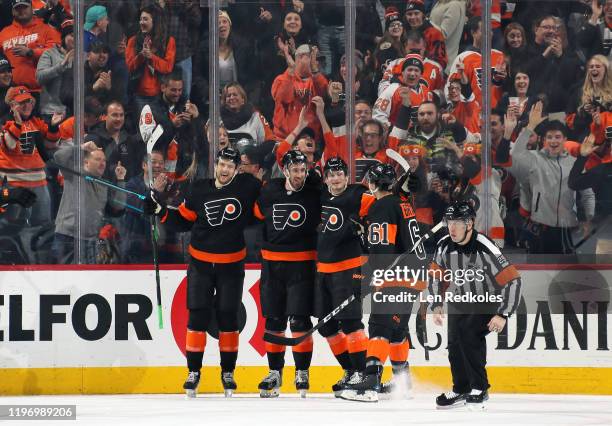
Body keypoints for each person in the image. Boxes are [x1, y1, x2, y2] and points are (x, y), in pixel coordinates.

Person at [145, 147, 261, 398]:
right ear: (216, 164)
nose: (226, 169)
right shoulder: (198, 189)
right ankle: (193, 372)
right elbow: (184, 221)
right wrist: (160, 211)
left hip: (232, 264)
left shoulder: (247, 186)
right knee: (197, 315)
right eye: (222, 164)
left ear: (237, 168)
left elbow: (264, 205)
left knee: (228, 317)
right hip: (200, 263)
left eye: (231, 166)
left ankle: (228, 372)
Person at [340, 163, 426, 402]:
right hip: (414, 277)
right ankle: (402, 382)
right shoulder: (402, 203)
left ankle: (370, 383)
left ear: (372, 183)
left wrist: (364, 279)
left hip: (394, 276)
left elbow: (382, 251)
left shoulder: (380, 207)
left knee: (379, 327)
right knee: (397, 330)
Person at [430, 201, 522, 409]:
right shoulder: (444, 245)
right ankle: (461, 388)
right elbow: (435, 276)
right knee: (454, 344)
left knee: (469, 334)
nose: (452, 227)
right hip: (459, 301)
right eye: (449, 222)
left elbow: (513, 279)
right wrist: (436, 303)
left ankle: (480, 387)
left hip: (487, 301)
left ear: (470, 223)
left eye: (458, 223)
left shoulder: (485, 247)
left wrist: (503, 314)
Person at [253, 150, 321, 397]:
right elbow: (258, 214)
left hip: (302, 265)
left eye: (303, 170)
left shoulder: (314, 190)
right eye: (295, 170)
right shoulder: (270, 190)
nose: (299, 175)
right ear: (284, 170)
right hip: (272, 266)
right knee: (274, 320)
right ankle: (275, 373)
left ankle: (302, 372)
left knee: (300, 321)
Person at [315, 156, 375, 396]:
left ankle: (362, 372)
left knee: (351, 322)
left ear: (347, 176)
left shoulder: (357, 194)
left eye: (340, 173)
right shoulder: (320, 196)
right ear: (326, 177)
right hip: (324, 270)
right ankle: (350, 370)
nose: (336, 177)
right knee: (326, 325)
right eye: (332, 173)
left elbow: (382, 203)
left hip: (349, 268)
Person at [52, 140, 127, 264]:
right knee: (64, 279)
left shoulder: (104, 184)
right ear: (86, 162)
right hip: (67, 238)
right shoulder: (74, 173)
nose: (102, 163)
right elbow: (58, 156)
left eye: (104, 160)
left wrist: (120, 179)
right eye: (97, 159)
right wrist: (81, 147)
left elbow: (118, 206)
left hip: (91, 241)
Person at [0, 0, 60, 93]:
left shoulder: (47, 30)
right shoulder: (4, 33)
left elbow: (57, 54)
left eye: (25, 7)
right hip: (12, 93)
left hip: (42, 92)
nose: (21, 10)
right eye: (18, 8)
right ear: (12, 12)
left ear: (32, 9)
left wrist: (31, 52)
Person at [271, 43, 328, 140]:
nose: (316, 63)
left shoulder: (317, 80)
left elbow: (324, 92)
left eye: (318, 60)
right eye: (313, 58)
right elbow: (284, 98)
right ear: (300, 57)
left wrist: (314, 69)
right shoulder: (282, 79)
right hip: (284, 139)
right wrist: (291, 72)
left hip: (310, 140)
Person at [126, 5, 176, 113]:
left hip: (161, 95)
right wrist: (141, 56)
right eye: (140, 19)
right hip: (138, 95)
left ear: (155, 21)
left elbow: (168, 67)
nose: (141, 22)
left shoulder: (168, 41)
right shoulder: (133, 41)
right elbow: (128, 67)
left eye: (145, 19)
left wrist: (151, 57)